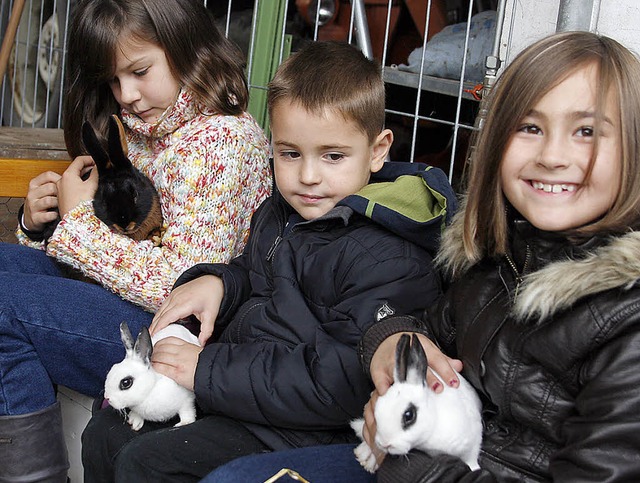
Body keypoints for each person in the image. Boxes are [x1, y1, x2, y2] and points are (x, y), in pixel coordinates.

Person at [201, 30, 640, 483]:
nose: (552, 155)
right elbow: (423, 330)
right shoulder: (491, 260)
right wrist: (389, 337)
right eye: (530, 127)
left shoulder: (627, 320)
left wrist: (417, 470)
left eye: (586, 131)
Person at [80, 40, 458, 482]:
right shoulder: (283, 211)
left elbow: (341, 381)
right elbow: (260, 274)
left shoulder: (388, 255)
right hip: (243, 393)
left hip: (301, 430)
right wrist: (221, 282)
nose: (308, 176)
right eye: (290, 153)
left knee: (148, 463)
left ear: (378, 150)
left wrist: (207, 370)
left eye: (332, 156)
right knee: (105, 433)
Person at [0, 0, 270, 481]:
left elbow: (181, 289)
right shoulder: (135, 133)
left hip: (170, 336)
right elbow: (92, 261)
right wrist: (38, 227)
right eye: (112, 80)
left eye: (140, 71)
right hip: (118, 303)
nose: (126, 94)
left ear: (185, 46)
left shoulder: (223, 142)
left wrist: (78, 223)